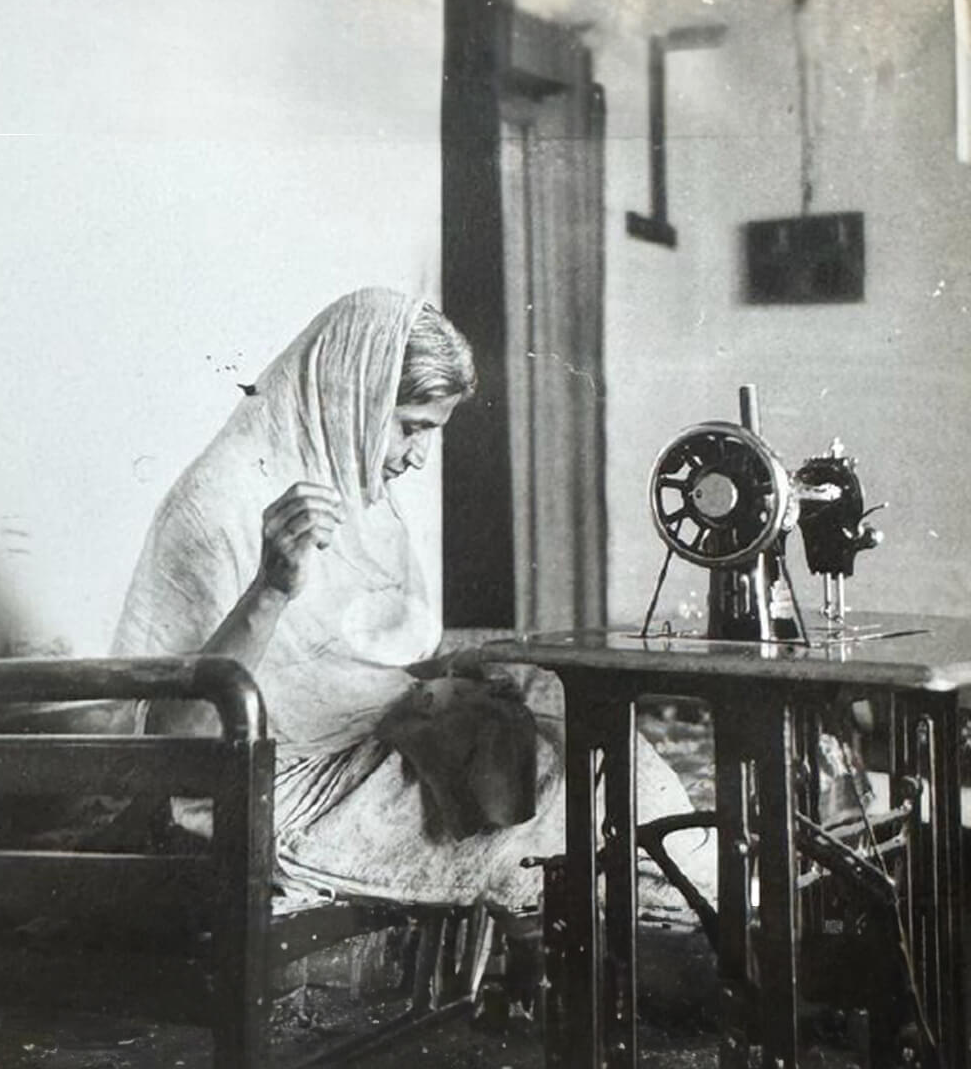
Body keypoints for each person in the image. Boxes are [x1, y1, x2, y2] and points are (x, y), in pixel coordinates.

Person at [112, 286, 715, 916]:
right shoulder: (215, 507)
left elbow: (348, 666)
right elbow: (176, 744)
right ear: (354, 397)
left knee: (608, 759)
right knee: (577, 802)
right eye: (411, 427)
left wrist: (450, 676)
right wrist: (272, 589)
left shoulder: (352, 496)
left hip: (357, 753)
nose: (420, 457)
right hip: (277, 795)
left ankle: (718, 899)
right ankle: (725, 907)